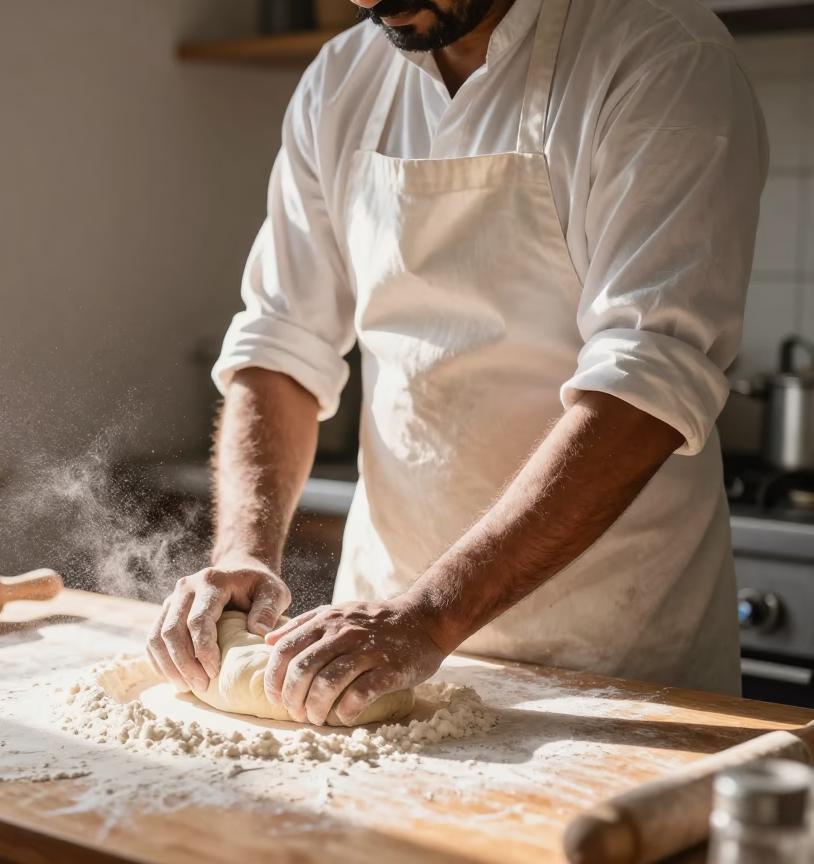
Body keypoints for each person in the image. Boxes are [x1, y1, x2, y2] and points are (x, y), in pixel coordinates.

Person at [148, 0, 767, 726]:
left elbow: (644, 382)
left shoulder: (663, 57)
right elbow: (281, 341)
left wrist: (434, 613)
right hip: (372, 650)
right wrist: (245, 552)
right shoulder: (342, 79)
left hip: (612, 658)